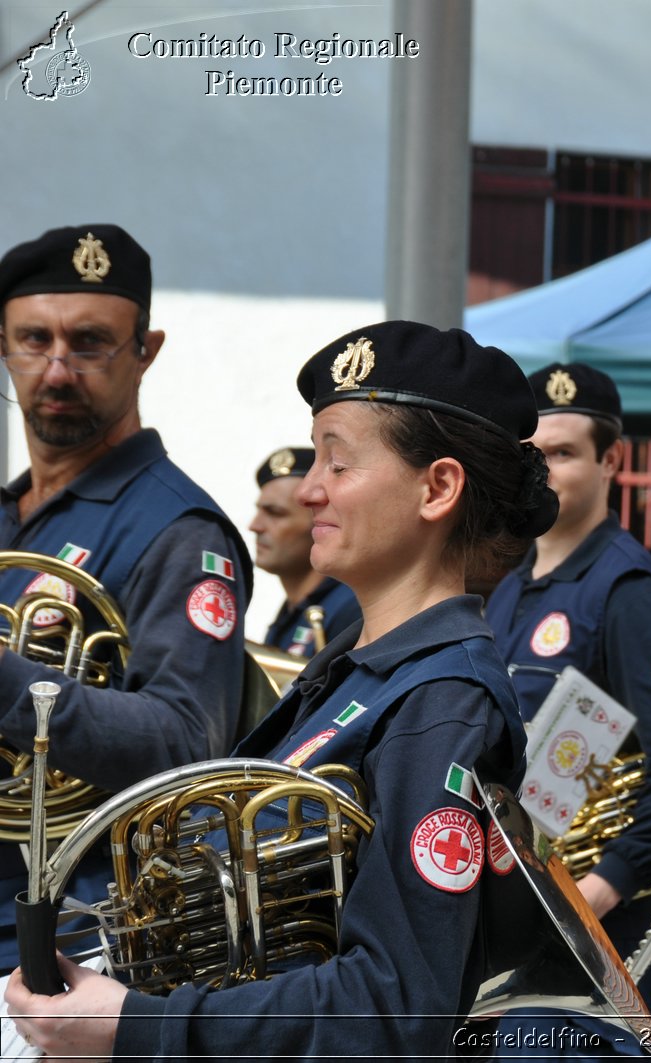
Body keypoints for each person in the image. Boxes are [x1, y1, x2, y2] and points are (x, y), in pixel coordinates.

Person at [6, 319, 562, 1058]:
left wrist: (142, 1024)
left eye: (338, 462)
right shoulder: (354, 670)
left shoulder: (441, 700)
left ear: (438, 487)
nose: (308, 490)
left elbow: (395, 1005)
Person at [0, 225, 251, 969]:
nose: (57, 368)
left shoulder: (179, 528)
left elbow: (184, 742)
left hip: (61, 953)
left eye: (90, 342)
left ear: (147, 350)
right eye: (32, 339)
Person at [483, 363, 651, 992]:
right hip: (510, 909)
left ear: (612, 460)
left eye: (565, 453)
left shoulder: (629, 591)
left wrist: (596, 891)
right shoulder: (507, 580)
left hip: (591, 928)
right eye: (532, 454)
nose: (545, 469)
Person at [250, 446, 360, 656]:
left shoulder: (351, 610)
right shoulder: (293, 611)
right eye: (259, 510)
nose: (255, 526)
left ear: (320, 520)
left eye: (275, 513)